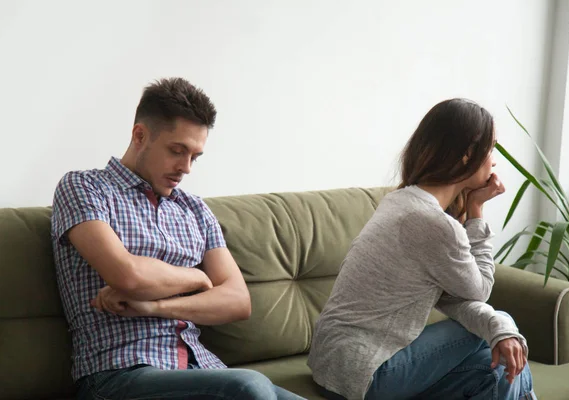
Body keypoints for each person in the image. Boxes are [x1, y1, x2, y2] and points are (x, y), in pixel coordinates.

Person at [51, 77, 304, 400]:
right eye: (176, 150)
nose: (185, 168)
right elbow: (126, 275)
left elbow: (238, 301)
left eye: (194, 156)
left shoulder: (194, 209)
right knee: (249, 387)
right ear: (140, 135)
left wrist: (153, 305)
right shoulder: (84, 188)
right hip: (118, 373)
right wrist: (197, 277)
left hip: (204, 370)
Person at [307, 98, 537, 400]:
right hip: (365, 374)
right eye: (491, 148)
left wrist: (501, 330)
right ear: (468, 153)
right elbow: (479, 290)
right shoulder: (432, 223)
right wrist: (476, 209)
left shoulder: (401, 200)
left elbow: (454, 300)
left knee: (494, 371)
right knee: (490, 336)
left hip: (332, 367)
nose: (494, 160)